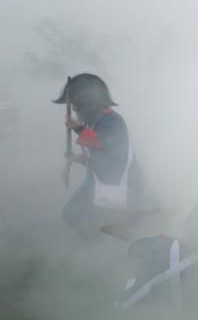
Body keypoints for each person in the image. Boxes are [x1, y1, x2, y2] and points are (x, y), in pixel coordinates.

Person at [55, 73, 155, 240]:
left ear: (87, 102)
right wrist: (77, 159)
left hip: (123, 186)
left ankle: (100, 250)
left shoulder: (112, 120)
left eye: (76, 105)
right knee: (72, 215)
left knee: (114, 232)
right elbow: (99, 156)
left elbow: (103, 143)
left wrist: (77, 128)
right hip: (98, 182)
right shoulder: (92, 122)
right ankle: (94, 247)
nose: (74, 110)